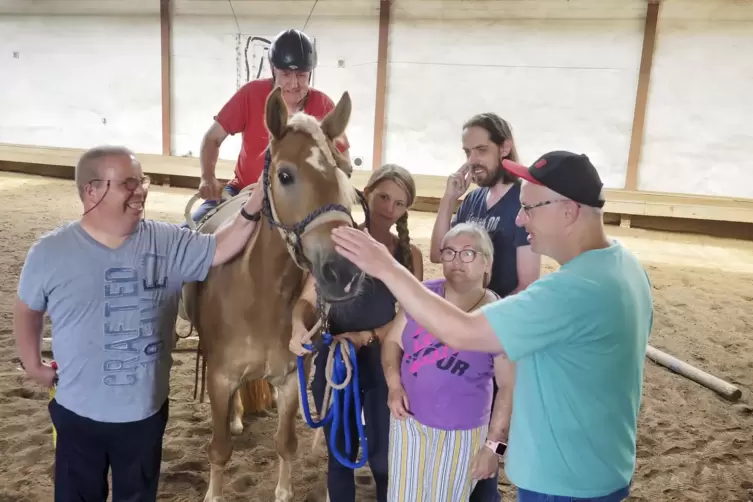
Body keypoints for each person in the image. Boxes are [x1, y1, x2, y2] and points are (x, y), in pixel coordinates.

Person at [331, 150, 654, 502]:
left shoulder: (570, 291)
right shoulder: (624, 266)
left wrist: (387, 267)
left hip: (563, 481)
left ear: (568, 211)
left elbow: (462, 333)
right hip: (598, 467)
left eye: (528, 208)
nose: (518, 220)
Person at [13, 145, 264, 502]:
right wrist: (32, 364)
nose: (141, 190)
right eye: (128, 184)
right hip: (77, 412)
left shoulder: (166, 240)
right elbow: (27, 310)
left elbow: (221, 248)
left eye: (141, 180)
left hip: (144, 415)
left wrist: (255, 201)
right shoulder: (50, 252)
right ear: (92, 190)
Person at [289, 164, 424, 502]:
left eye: (399, 203)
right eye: (383, 197)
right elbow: (307, 299)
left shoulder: (410, 255)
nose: (388, 208)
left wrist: (369, 337)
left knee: (382, 455)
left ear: (406, 209)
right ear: (366, 194)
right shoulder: (338, 243)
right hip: (337, 357)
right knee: (340, 453)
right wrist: (297, 324)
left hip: (385, 360)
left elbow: (412, 313)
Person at [430, 112, 541, 501]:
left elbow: (528, 282)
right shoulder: (473, 198)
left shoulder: (521, 200)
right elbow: (438, 251)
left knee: (491, 424)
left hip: (494, 330)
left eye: (481, 149)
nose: (473, 159)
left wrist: (483, 327)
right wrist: (449, 198)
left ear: (505, 147)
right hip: (466, 328)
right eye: (467, 151)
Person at [383, 222, 515, 501]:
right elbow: (392, 342)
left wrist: (494, 449)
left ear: (487, 263)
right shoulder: (423, 296)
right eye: (449, 252)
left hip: (461, 435)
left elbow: (508, 387)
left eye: (468, 253)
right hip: (408, 424)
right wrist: (394, 386)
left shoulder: (500, 318)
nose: (457, 261)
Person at [191, 28, 350, 224]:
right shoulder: (251, 94)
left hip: (300, 201)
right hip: (243, 191)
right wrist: (207, 177)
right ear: (273, 69)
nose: (293, 83)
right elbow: (212, 138)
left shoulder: (323, 105)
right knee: (191, 233)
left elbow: (342, 157)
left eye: (301, 75)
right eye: (285, 74)